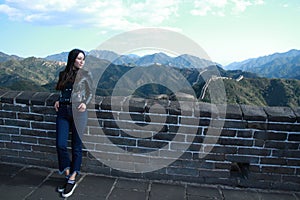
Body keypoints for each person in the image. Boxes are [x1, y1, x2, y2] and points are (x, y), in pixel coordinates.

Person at [54, 48, 93, 198]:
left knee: (76, 145)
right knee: (61, 144)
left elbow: (90, 92)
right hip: (63, 111)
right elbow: (62, 91)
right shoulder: (63, 74)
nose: (81, 62)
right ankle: (68, 172)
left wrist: (86, 103)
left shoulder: (86, 74)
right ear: (72, 59)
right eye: (79, 59)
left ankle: (72, 178)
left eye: (83, 59)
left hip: (79, 112)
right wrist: (58, 100)